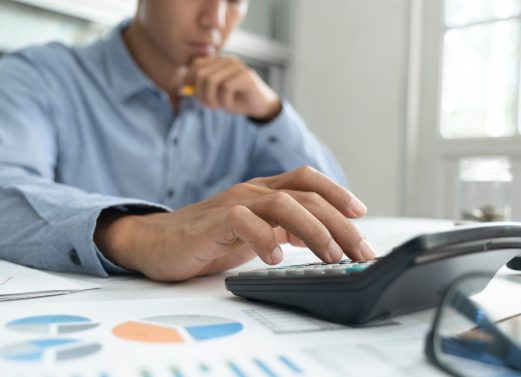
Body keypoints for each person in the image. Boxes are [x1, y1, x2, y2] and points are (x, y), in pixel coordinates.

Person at [0, 0, 375, 282]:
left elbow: (336, 216)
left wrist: (273, 114)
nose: (215, 20)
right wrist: (139, 235)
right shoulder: (36, 77)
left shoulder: (243, 104)